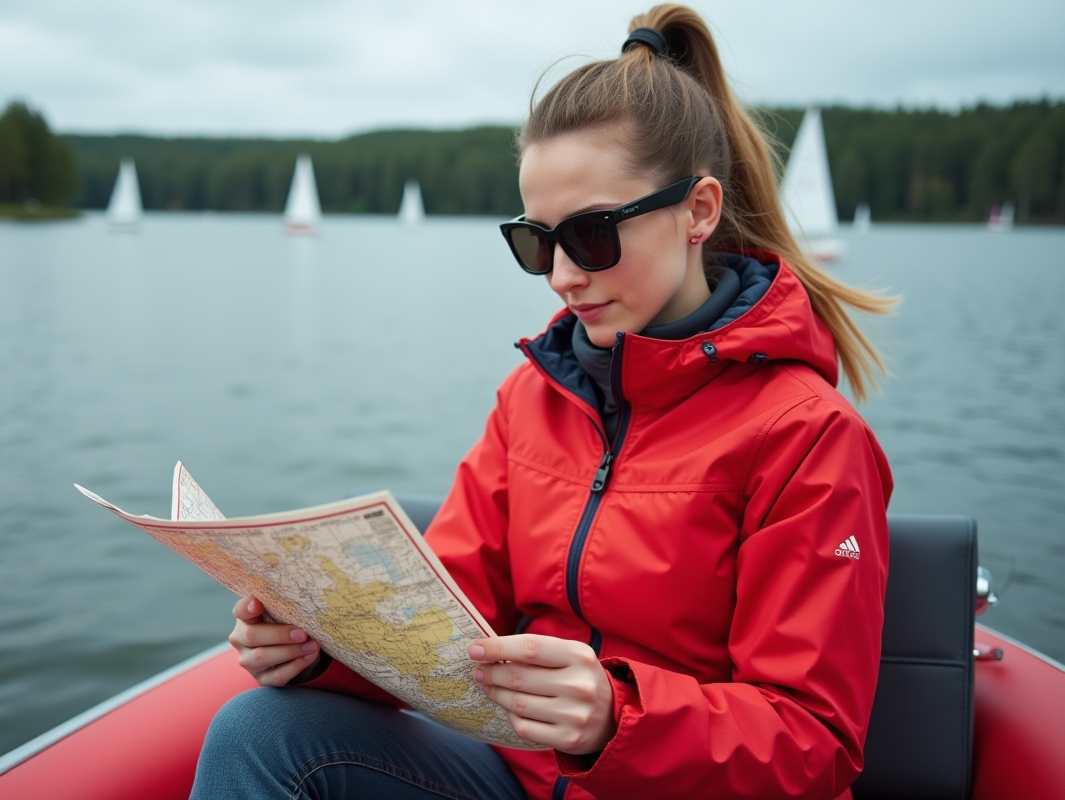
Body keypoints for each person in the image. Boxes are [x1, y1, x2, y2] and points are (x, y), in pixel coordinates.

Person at [191, 5, 894, 799]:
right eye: (536, 241)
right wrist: (318, 650)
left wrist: (615, 719)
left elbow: (816, 742)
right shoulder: (533, 395)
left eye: (591, 236)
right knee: (258, 732)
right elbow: (447, 628)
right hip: (521, 780)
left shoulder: (808, 436)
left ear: (697, 211)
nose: (561, 276)